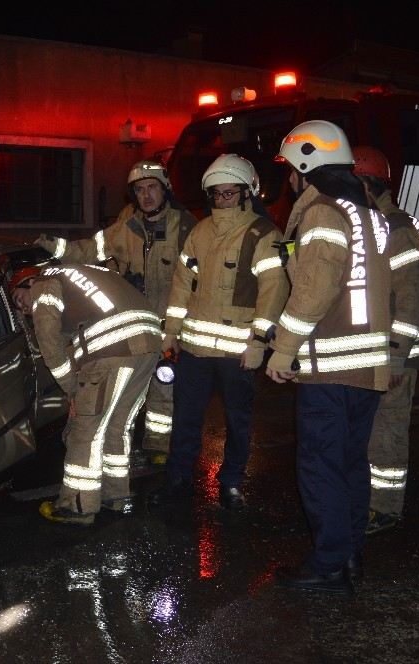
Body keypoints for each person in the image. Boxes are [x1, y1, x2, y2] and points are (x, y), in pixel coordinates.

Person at [266, 120, 392, 594]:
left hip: (331, 367)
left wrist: (284, 348)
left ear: (304, 165)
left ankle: (329, 563)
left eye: (290, 169)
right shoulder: (369, 211)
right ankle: (350, 555)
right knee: (350, 464)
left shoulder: (321, 212)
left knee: (319, 465)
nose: (289, 180)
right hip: (367, 367)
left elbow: (315, 289)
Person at [150, 154, 289, 510]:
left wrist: (259, 341)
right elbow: (182, 284)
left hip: (236, 352)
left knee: (237, 422)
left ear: (247, 193)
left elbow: (275, 291)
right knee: (185, 418)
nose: (222, 199)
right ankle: (179, 478)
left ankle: (231, 482)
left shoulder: (263, 234)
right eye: (216, 194)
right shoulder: (199, 231)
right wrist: (171, 331)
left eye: (229, 193)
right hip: (195, 351)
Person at [35, 161, 197, 466]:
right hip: (136, 324)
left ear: (165, 189)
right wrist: (53, 246)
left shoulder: (186, 228)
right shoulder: (127, 228)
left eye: (152, 188)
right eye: (139, 189)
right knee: (130, 392)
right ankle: (122, 447)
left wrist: (176, 329)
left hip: (169, 324)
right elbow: (87, 250)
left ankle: (158, 445)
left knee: (164, 384)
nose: (146, 195)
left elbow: (194, 283)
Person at [10, 263, 162, 524]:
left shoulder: (45, 285)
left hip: (114, 349)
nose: (23, 308)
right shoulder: (80, 275)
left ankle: (77, 506)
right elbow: (75, 335)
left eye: (19, 298)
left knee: (86, 429)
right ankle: (115, 496)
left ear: (29, 282)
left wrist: (72, 389)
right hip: (148, 346)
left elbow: (50, 342)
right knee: (117, 427)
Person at [352, 146, 419, 536]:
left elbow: (414, 293)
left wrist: (398, 354)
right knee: (373, 431)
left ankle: (384, 508)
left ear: (368, 185)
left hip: (397, 352)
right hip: (380, 350)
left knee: (387, 433)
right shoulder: (374, 222)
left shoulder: (396, 227)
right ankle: (370, 501)